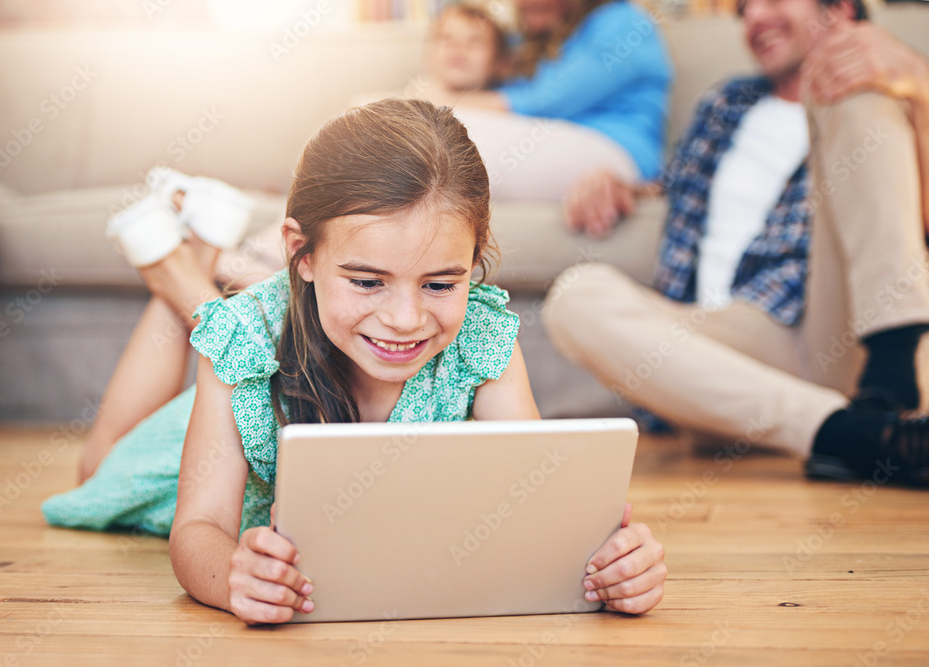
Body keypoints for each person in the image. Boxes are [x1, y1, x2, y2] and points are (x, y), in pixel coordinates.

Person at [42, 99, 667, 623]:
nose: (404, 319)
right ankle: (177, 261)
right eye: (368, 282)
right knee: (98, 464)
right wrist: (232, 576)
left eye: (441, 284)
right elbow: (199, 527)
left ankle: (196, 249)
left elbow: (538, 506)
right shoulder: (244, 341)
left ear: (474, 258)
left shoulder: (480, 334)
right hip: (201, 432)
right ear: (302, 254)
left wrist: (612, 561)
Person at [543, 0, 929, 486]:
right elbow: (674, 184)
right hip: (721, 352)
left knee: (850, 87)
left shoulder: (893, 96)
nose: (753, 17)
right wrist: (620, 184)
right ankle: (849, 435)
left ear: (840, 9)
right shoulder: (726, 103)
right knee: (576, 296)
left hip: (843, 334)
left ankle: (889, 380)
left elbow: (904, 218)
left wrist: (918, 84)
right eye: (744, 8)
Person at [422, 0, 673, 201]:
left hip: (612, 152)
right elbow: (482, 54)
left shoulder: (624, 22)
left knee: (442, 137)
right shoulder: (534, 38)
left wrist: (440, 99)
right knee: (430, 128)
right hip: (547, 136)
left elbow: (546, 100)